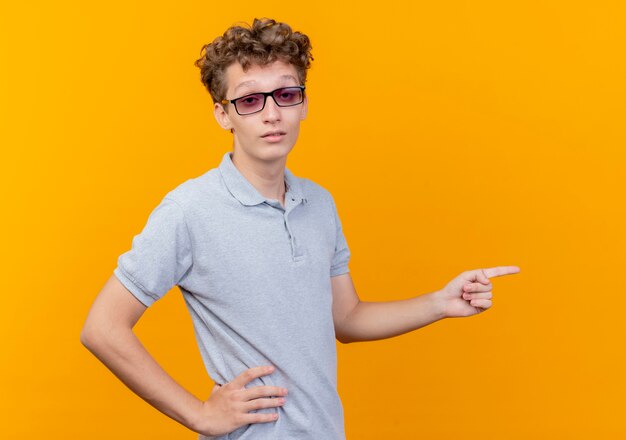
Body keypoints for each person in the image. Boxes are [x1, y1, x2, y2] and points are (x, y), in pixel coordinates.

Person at [80, 17, 520, 440]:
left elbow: (345, 319)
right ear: (223, 114)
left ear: (303, 103)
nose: (272, 113)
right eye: (250, 100)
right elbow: (102, 327)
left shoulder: (319, 204)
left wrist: (439, 302)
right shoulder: (190, 210)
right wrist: (199, 413)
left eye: (286, 94)